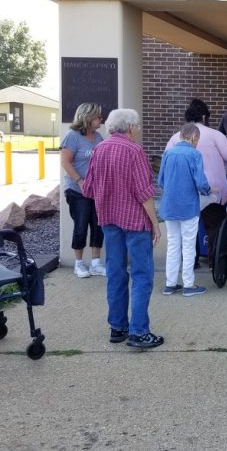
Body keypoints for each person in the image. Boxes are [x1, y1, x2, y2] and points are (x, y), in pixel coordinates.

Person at [82, 108, 164, 349]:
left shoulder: (99, 149)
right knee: (142, 275)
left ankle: (118, 327)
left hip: (109, 221)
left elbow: (88, 188)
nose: (138, 129)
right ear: (129, 127)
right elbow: (144, 193)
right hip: (136, 222)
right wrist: (155, 223)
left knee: (116, 273)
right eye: (137, 125)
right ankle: (139, 332)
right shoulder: (134, 151)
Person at [165, 99, 227, 270]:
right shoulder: (214, 134)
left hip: (185, 191)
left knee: (189, 228)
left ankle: (192, 261)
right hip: (212, 189)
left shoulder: (176, 137)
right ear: (204, 116)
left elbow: (167, 158)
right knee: (214, 225)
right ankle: (215, 261)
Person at [158, 123, 215, 297]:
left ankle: (170, 284)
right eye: (197, 140)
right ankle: (188, 285)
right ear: (194, 137)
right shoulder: (194, 154)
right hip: (188, 206)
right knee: (189, 246)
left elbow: (161, 181)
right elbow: (201, 183)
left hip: (169, 205)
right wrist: (209, 190)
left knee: (173, 244)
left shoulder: (168, 153)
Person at [60, 102, 106, 279]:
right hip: (77, 191)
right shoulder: (72, 136)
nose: (101, 119)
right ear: (88, 117)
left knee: (98, 225)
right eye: (98, 116)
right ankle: (78, 263)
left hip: (96, 190)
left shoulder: (99, 137)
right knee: (81, 225)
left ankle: (96, 263)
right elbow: (65, 162)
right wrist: (80, 181)